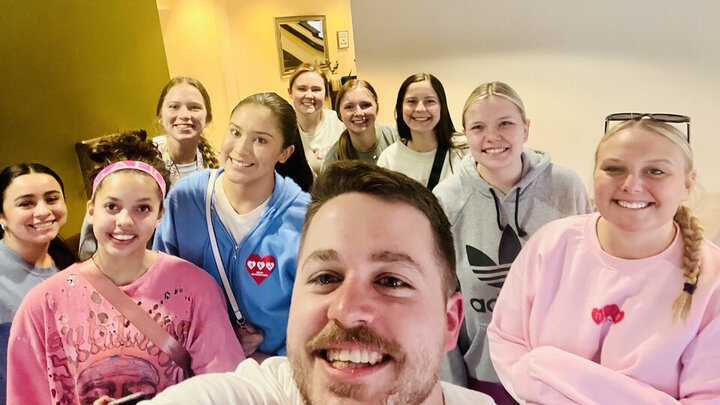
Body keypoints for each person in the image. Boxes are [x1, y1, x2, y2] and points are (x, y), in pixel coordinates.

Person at [140, 161, 495, 404]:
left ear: (450, 321)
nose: (346, 309)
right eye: (325, 277)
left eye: (391, 281)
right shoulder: (262, 394)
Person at [487, 115, 720, 403]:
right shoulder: (550, 245)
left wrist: (547, 367)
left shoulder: (712, 279)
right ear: (594, 174)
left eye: (656, 171)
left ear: (687, 184)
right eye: (614, 168)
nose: (632, 185)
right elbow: (506, 341)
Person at [7, 146, 244, 404]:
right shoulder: (43, 304)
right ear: (91, 210)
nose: (125, 221)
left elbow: (226, 390)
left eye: (142, 208)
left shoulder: (195, 289)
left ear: (160, 215)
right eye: (111, 206)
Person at [433, 82, 592, 399]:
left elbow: (589, 278)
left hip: (561, 370)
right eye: (478, 127)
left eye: (505, 123)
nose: (492, 137)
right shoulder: (446, 200)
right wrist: (451, 386)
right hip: (486, 375)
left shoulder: (565, 187)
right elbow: (441, 302)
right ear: (465, 134)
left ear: (526, 129)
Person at [153, 92, 311, 359]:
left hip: (277, 376)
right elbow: (161, 289)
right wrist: (218, 340)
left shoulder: (303, 218)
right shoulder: (185, 199)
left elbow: (316, 311)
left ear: (285, 153)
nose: (241, 149)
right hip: (201, 367)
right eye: (235, 132)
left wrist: (270, 360)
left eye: (260, 140)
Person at [1, 163, 74, 324]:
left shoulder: (67, 263)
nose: (43, 211)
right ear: (2, 216)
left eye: (52, 199)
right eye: (26, 203)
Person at [377, 73, 468, 189]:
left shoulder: (465, 151)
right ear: (400, 108)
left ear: (442, 107)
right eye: (411, 101)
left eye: (429, 101)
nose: (420, 109)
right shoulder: (388, 159)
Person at [154, 76, 220, 184]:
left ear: (207, 119)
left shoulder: (221, 168)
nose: (184, 115)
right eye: (174, 106)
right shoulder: (144, 165)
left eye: (194, 107)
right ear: (160, 116)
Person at [321, 79, 398, 170]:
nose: (359, 113)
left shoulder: (397, 138)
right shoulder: (333, 159)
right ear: (339, 114)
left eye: (365, 105)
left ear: (377, 108)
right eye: (349, 107)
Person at [287, 63, 345, 174]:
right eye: (302, 89)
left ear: (326, 93)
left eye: (316, 89)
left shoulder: (340, 123)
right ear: (290, 92)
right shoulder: (282, 130)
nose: (309, 95)